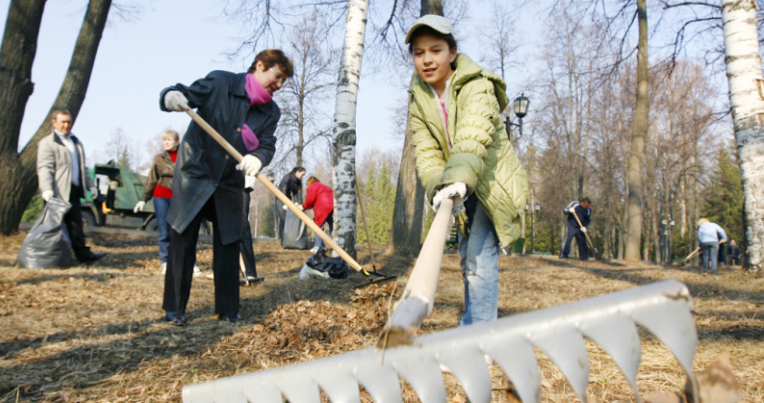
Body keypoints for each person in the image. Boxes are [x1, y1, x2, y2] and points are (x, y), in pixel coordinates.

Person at [405, 15, 529, 329]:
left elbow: (473, 135)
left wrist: (457, 178)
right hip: (459, 185)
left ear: (452, 52)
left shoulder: (477, 85)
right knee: (467, 257)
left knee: (479, 257)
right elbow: (427, 153)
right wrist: (438, 187)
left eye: (436, 50)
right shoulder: (419, 99)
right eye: (419, 53)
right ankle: (475, 324)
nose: (428, 59)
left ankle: (478, 338)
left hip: (490, 182)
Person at [158, 49, 293, 325]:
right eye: (276, 76)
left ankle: (228, 309)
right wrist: (169, 96)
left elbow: (267, 144)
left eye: (282, 81)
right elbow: (184, 93)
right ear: (259, 66)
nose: (278, 85)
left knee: (229, 241)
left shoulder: (270, 111)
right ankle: (175, 309)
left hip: (230, 181)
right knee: (183, 239)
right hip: (196, 172)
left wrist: (258, 157)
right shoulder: (221, 82)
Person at [37, 109, 106, 264]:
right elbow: (45, 168)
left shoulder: (76, 143)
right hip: (56, 192)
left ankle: (83, 256)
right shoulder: (48, 143)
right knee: (54, 227)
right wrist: (46, 188)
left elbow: (83, 168)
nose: (66, 125)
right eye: (63, 122)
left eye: (68, 122)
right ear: (54, 123)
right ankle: (52, 257)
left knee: (76, 225)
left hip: (73, 191)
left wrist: (91, 186)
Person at [134, 131, 201, 277]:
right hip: (161, 197)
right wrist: (143, 199)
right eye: (164, 140)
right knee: (164, 232)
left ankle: (191, 263)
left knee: (183, 231)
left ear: (177, 142)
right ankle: (166, 262)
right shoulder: (159, 159)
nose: (166, 142)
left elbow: (193, 177)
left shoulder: (186, 156)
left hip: (180, 198)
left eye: (169, 140)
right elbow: (152, 179)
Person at [299, 176, 334, 253]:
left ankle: (318, 247)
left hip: (322, 207)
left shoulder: (312, 187)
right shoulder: (324, 187)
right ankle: (337, 245)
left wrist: (302, 206)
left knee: (318, 227)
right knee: (332, 226)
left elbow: (309, 201)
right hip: (332, 205)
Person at [276, 166, 306, 240]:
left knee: (287, 218)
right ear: (298, 172)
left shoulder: (296, 181)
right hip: (280, 198)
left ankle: (287, 238)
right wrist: (285, 202)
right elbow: (284, 190)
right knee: (284, 218)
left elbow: (296, 193)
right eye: (302, 174)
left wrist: (297, 203)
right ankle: (283, 239)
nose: (302, 177)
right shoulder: (287, 178)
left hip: (287, 200)